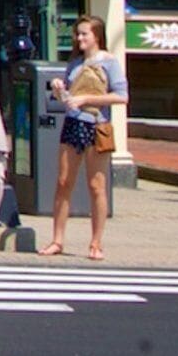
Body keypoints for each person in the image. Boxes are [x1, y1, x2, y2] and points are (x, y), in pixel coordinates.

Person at [45, 16, 126, 259]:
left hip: (97, 125)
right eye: (77, 34)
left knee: (96, 185)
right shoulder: (75, 63)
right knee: (63, 182)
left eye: (84, 34)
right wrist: (60, 90)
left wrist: (86, 100)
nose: (80, 38)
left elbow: (121, 96)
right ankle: (57, 240)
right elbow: (67, 98)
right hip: (73, 123)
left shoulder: (109, 62)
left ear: (97, 36)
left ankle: (96, 243)